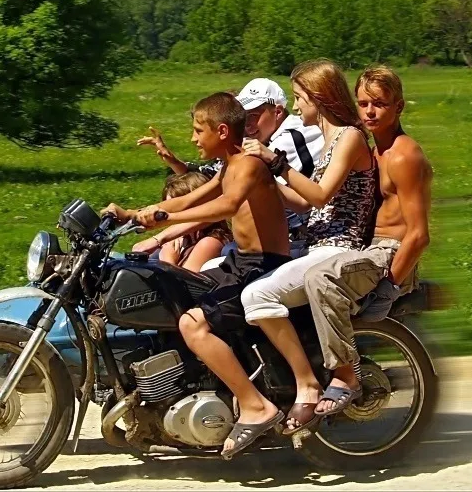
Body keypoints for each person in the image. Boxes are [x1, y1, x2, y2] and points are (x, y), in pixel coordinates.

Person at [102, 92, 292, 459]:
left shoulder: (248, 164)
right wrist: (134, 213)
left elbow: (225, 205)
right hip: (243, 261)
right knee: (176, 294)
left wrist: (166, 219)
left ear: (221, 131)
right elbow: (192, 198)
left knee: (193, 325)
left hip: (261, 265)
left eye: (197, 130)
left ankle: (255, 405)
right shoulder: (229, 165)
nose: (192, 139)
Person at [239, 59, 377, 435]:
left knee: (256, 295)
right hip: (317, 244)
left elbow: (319, 196)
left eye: (300, 97)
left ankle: (309, 385)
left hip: (338, 247)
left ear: (319, 97)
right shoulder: (332, 140)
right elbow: (302, 202)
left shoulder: (350, 137)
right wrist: (262, 178)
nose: (296, 106)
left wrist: (275, 162)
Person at [303, 66, 432, 417]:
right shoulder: (375, 150)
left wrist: (390, 285)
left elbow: (418, 234)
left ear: (398, 106)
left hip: (390, 252)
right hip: (368, 249)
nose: (370, 112)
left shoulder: (404, 155)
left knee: (320, 278)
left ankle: (346, 377)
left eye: (380, 104)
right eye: (363, 104)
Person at [133, 78, 324, 256]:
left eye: (253, 116)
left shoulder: (285, 142)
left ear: (278, 112)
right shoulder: (259, 145)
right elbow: (212, 182)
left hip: (298, 238)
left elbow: (228, 201)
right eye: (244, 117)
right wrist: (137, 214)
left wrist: (164, 229)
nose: (247, 125)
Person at [158, 172, 232, 272]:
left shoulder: (209, 243)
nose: (171, 214)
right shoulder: (185, 239)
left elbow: (184, 281)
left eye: (178, 208)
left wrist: (168, 261)